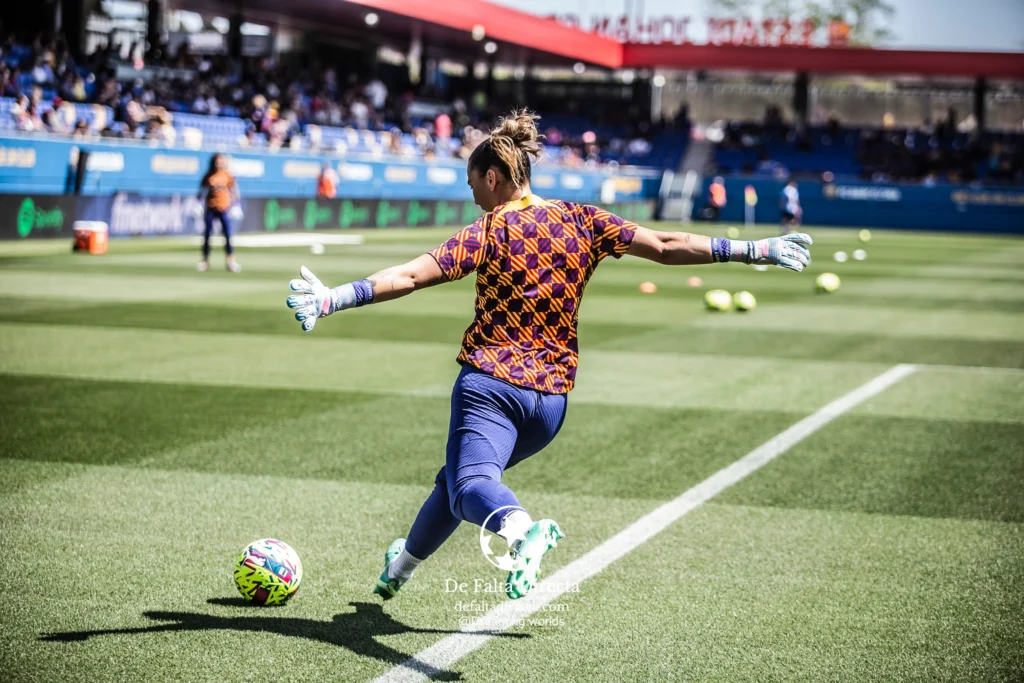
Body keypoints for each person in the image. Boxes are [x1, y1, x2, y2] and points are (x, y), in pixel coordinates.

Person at [285, 110, 812, 602]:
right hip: (550, 406)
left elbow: (409, 276)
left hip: (491, 384)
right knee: (456, 480)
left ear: (493, 177)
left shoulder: (490, 229)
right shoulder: (582, 220)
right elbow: (668, 244)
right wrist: (754, 249)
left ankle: (520, 532)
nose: (474, 199)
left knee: (471, 484)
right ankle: (400, 569)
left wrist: (337, 297)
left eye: (474, 185)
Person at [197, 154, 241, 272]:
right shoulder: (209, 175)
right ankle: (205, 261)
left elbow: (234, 189)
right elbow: (201, 190)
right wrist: (198, 204)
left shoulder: (227, 175)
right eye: (217, 161)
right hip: (211, 207)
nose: (219, 164)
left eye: (221, 161)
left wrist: (237, 205)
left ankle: (230, 260)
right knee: (207, 235)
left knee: (227, 235)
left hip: (224, 208)